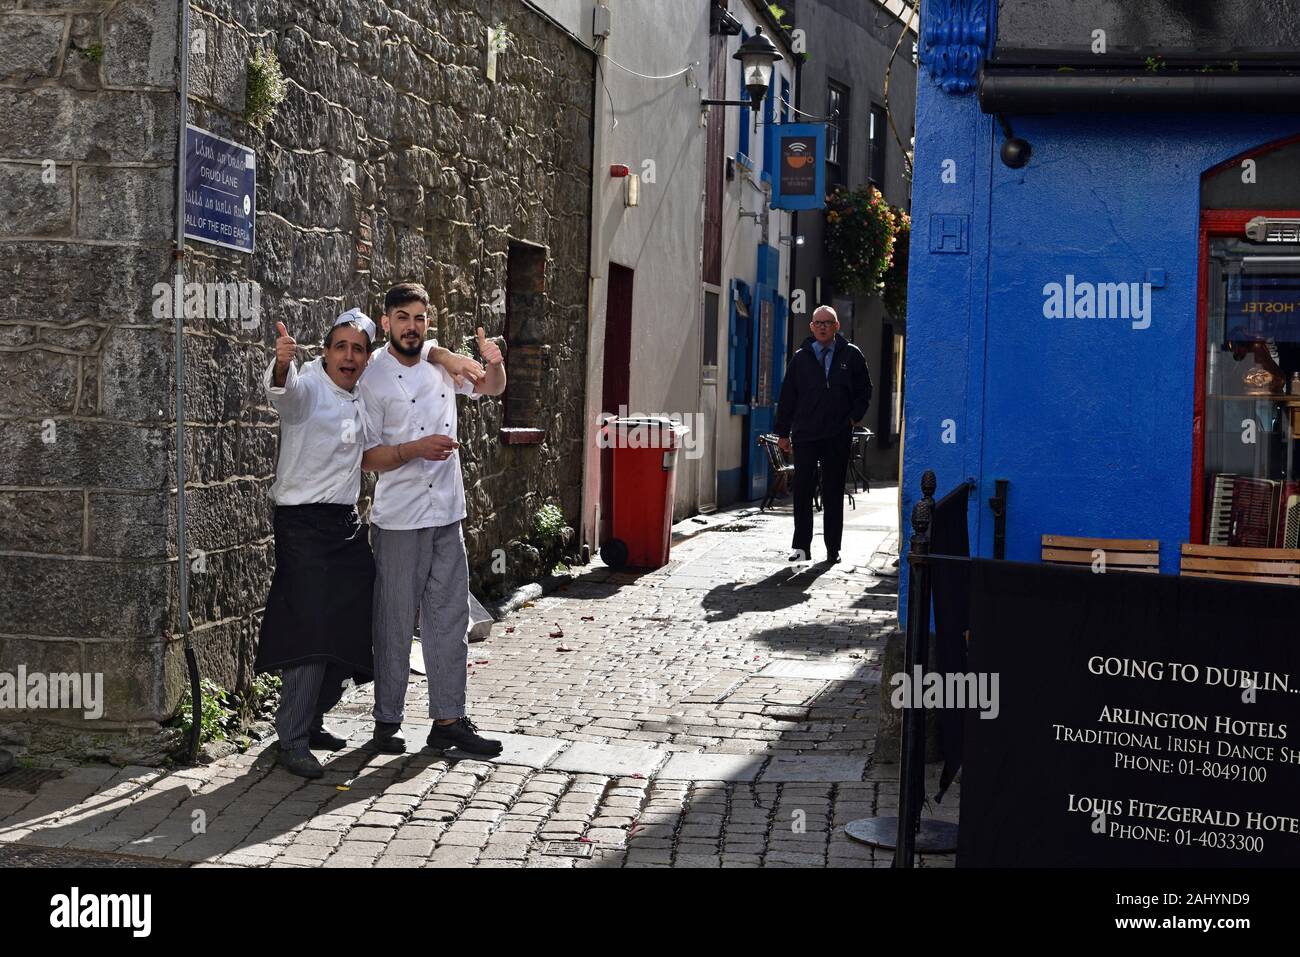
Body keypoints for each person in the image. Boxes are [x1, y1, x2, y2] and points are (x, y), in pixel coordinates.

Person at [259, 308, 473, 779]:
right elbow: (284, 394)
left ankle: (314, 719)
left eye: (357, 349)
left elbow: (409, 345)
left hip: (345, 523)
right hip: (301, 524)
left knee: (355, 624)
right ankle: (290, 738)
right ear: (325, 351)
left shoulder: (364, 388)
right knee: (310, 632)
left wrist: (445, 353)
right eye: (340, 347)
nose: (350, 356)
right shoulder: (309, 384)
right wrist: (280, 363)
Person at [360, 282, 507, 757]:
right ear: (386, 322)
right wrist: (413, 451)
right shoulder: (371, 377)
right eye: (402, 317)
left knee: (450, 620)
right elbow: (366, 458)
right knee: (394, 622)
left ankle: (449, 720)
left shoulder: (441, 366)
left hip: (447, 513)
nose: (411, 326)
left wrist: (496, 363)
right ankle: (387, 722)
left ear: (428, 323)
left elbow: (488, 387)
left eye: (419, 318)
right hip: (398, 519)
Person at [773, 305, 872, 564]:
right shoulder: (800, 358)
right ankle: (801, 547)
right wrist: (783, 433)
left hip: (837, 434)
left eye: (828, 322)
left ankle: (832, 549)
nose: (822, 327)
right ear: (811, 327)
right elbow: (787, 398)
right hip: (805, 434)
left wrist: (852, 418)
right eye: (818, 323)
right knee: (803, 490)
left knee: (833, 491)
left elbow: (865, 390)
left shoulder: (851, 356)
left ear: (837, 326)